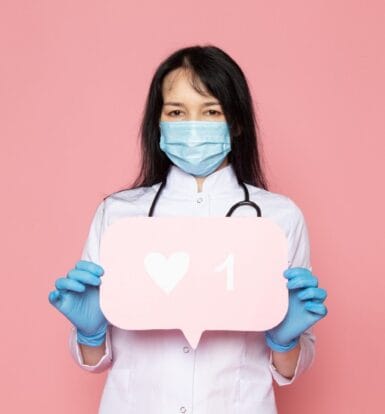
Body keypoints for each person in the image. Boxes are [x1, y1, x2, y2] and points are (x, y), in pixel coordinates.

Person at [48, 45, 328, 413]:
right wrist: (90, 332)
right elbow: (95, 359)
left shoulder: (278, 218)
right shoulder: (118, 216)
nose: (193, 125)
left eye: (211, 111)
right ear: (158, 123)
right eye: (177, 112)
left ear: (237, 122)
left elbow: (289, 366)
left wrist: (285, 340)